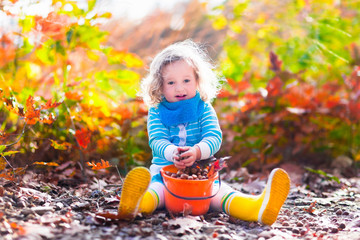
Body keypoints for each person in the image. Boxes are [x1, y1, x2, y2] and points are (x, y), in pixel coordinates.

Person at [118, 39, 290, 225]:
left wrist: (198, 151)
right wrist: (172, 152)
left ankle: (256, 208)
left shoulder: (204, 108)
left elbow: (214, 137)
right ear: (159, 86)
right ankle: (136, 204)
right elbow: (157, 140)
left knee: (220, 193)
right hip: (165, 175)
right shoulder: (157, 111)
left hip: (201, 177)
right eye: (171, 82)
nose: (180, 88)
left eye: (186, 80)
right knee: (157, 192)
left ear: (197, 80)